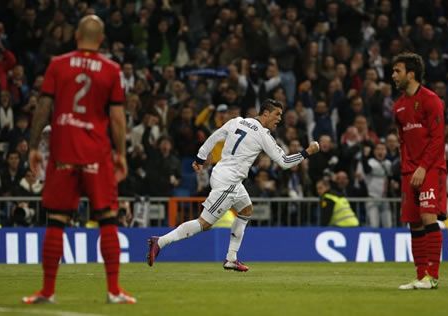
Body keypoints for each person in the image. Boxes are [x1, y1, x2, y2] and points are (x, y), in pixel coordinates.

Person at [22, 15, 136, 304]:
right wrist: (120, 153)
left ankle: (47, 291)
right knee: (107, 217)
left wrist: (34, 146)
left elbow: (43, 106)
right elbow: (118, 118)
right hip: (96, 151)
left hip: (62, 149)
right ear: (100, 40)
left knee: (57, 220)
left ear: (76, 37)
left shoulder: (57, 65)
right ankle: (113, 290)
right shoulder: (111, 70)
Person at [147, 99, 320, 271]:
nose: (279, 119)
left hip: (223, 173)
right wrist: (307, 152)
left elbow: (215, 136)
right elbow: (284, 162)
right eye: (277, 114)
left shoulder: (237, 121)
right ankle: (161, 241)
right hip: (228, 182)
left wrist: (200, 157)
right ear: (266, 113)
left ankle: (231, 258)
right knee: (204, 224)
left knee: (246, 210)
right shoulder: (263, 134)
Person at [392, 52, 447, 290]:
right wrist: (407, 168)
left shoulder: (430, 100)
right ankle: (421, 276)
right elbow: (403, 141)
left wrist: (423, 168)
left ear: (410, 74)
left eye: (397, 71)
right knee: (414, 223)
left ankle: (432, 276)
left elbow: (437, 138)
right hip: (409, 171)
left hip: (430, 169)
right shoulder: (399, 106)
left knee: (428, 217)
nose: (393, 75)